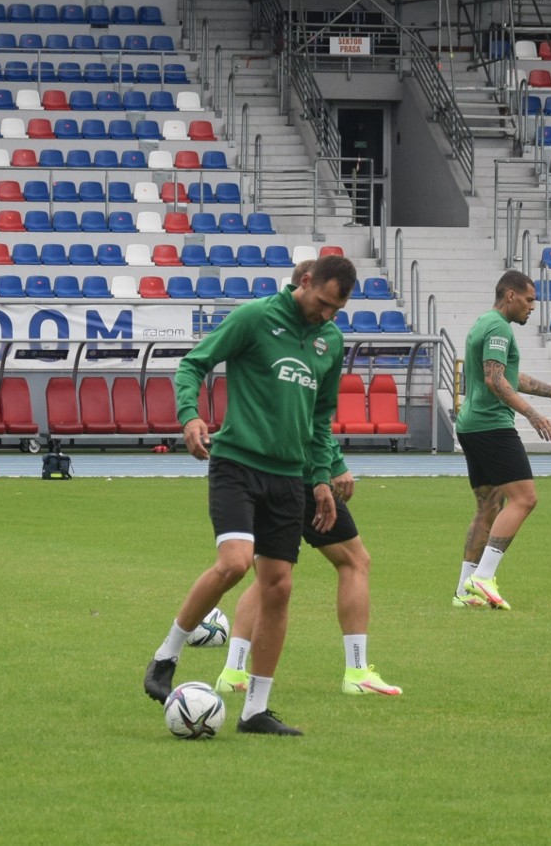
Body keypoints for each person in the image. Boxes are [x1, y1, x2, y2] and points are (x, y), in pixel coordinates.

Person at [143, 255, 356, 736]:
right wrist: (190, 416)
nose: (326, 315)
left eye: (335, 310)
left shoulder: (330, 341)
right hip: (237, 464)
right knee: (236, 563)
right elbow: (193, 364)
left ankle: (255, 710)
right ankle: (165, 657)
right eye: (322, 303)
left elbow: (320, 420)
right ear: (305, 282)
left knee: (278, 587)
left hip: (290, 478)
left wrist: (321, 478)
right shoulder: (255, 317)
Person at [216, 435, 402, 698]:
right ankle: (358, 672)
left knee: (268, 578)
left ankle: (233, 672)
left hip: (261, 474)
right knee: (354, 561)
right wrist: (335, 465)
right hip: (304, 476)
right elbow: (314, 418)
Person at [453, 269, 551, 610]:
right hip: (492, 425)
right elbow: (496, 381)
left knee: (488, 507)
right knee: (525, 499)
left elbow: (507, 375)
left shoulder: (485, 323)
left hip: (472, 424)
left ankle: (464, 591)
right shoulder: (498, 327)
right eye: (528, 300)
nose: (532, 307)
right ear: (510, 295)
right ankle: (483, 576)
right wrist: (532, 414)